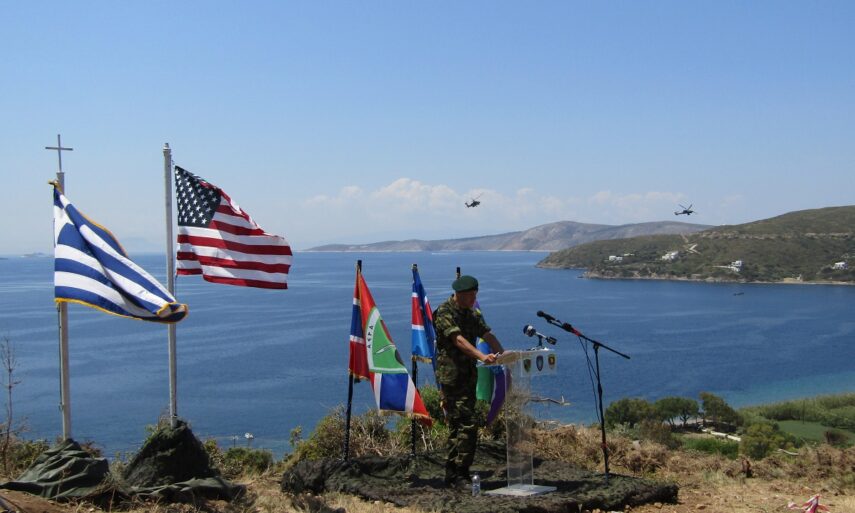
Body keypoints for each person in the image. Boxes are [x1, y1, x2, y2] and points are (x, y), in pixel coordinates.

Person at [433, 274, 504, 488]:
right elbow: (458, 340)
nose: (474, 299)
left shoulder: (471, 314)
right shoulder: (445, 312)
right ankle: (461, 473)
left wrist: (505, 355)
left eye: (475, 295)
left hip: (468, 377)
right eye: (471, 295)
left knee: (458, 425)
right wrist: (482, 356)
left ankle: (452, 473)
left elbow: (487, 334)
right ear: (459, 294)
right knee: (467, 423)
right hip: (453, 377)